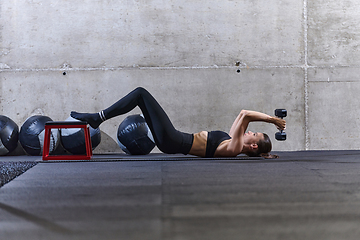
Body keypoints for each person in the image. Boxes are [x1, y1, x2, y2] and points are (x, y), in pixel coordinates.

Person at [71, 87, 286, 158]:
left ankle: (97, 118)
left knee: (140, 94)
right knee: (140, 96)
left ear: (254, 146)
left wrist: (270, 119)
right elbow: (242, 115)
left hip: (173, 141)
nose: (249, 132)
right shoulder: (233, 141)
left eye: (254, 134)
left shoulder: (235, 147)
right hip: (173, 139)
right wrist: (269, 120)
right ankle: (97, 118)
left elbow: (246, 114)